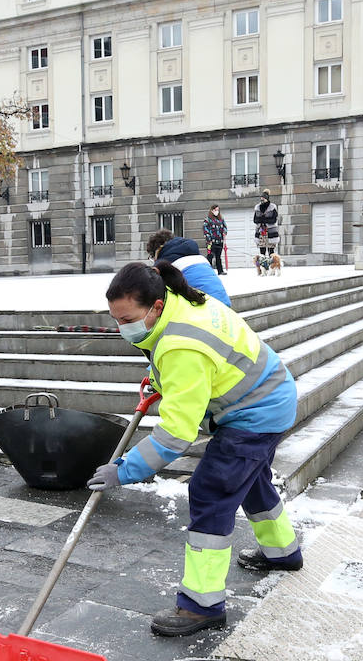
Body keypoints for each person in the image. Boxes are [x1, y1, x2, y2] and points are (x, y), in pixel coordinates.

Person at [89, 261, 301, 636]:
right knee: (251, 481)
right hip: (271, 395)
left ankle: (202, 605)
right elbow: (195, 366)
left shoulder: (180, 344)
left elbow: (174, 435)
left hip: (255, 414)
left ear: (155, 307)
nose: (121, 327)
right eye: (116, 319)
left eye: (126, 319)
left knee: (211, 492)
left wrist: (123, 470)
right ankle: (282, 552)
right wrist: (160, 379)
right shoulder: (181, 301)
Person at [146, 228, 229, 307]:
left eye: (152, 257)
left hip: (205, 309)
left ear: (157, 251)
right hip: (224, 304)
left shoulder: (164, 264)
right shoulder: (196, 254)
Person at [252, 190, 279, 256]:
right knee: (262, 251)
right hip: (261, 232)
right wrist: (263, 220)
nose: (262, 201)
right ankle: (263, 265)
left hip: (271, 231)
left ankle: (271, 265)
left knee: (271, 251)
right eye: (261, 199)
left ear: (267, 199)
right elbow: (255, 220)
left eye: (263, 199)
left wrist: (263, 220)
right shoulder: (258, 207)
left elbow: (274, 219)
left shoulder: (272, 207)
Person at [202, 206, 227, 275]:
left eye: (218, 210)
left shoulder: (221, 219)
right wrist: (208, 239)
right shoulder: (207, 220)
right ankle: (207, 271)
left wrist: (224, 232)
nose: (217, 211)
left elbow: (225, 227)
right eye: (215, 210)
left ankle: (220, 270)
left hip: (219, 241)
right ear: (212, 210)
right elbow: (205, 230)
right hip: (211, 242)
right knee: (210, 255)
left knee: (218, 256)